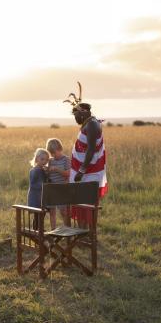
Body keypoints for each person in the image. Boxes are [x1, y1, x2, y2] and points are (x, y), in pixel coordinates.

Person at [67, 96, 108, 227]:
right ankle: (83, 232)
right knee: (81, 203)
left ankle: (88, 233)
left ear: (84, 113)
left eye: (76, 115)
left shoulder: (92, 125)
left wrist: (81, 170)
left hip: (88, 173)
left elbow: (91, 149)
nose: (75, 118)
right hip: (84, 173)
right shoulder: (90, 123)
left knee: (86, 204)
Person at [44, 138, 71, 229]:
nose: (53, 155)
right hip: (52, 190)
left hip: (62, 189)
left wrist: (57, 169)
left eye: (54, 153)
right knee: (52, 211)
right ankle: (53, 230)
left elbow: (68, 174)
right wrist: (47, 171)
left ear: (60, 149)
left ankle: (67, 229)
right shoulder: (50, 161)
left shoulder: (66, 160)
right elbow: (48, 174)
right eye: (51, 153)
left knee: (63, 211)